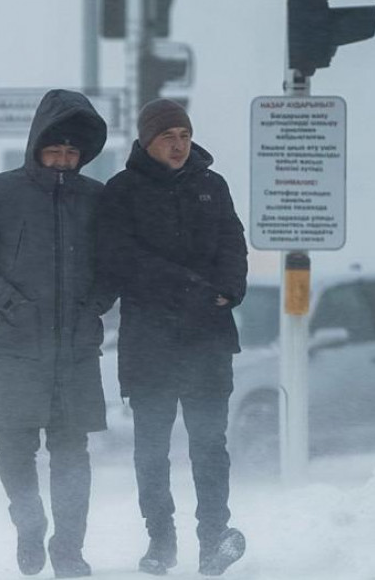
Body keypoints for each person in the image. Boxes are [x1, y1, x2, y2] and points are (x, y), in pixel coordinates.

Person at [0, 89, 115, 578]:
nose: (63, 160)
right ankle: (28, 522)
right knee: (14, 449)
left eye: (72, 152)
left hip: (76, 350)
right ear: (36, 146)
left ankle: (69, 550)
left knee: (72, 453)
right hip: (16, 348)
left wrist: (93, 308)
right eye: (54, 149)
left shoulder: (95, 199)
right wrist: (9, 302)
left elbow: (115, 265)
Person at [97, 99, 248, 576]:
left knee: (209, 443)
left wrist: (229, 289)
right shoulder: (122, 192)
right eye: (168, 136)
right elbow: (122, 260)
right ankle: (160, 542)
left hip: (208, 339)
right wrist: (193, 288)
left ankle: (213, 539)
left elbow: (232, 244)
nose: (179, 144)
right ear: (147, 141)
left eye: (184, 134)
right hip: (150, 342)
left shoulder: (211, 186)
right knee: (152, 450)